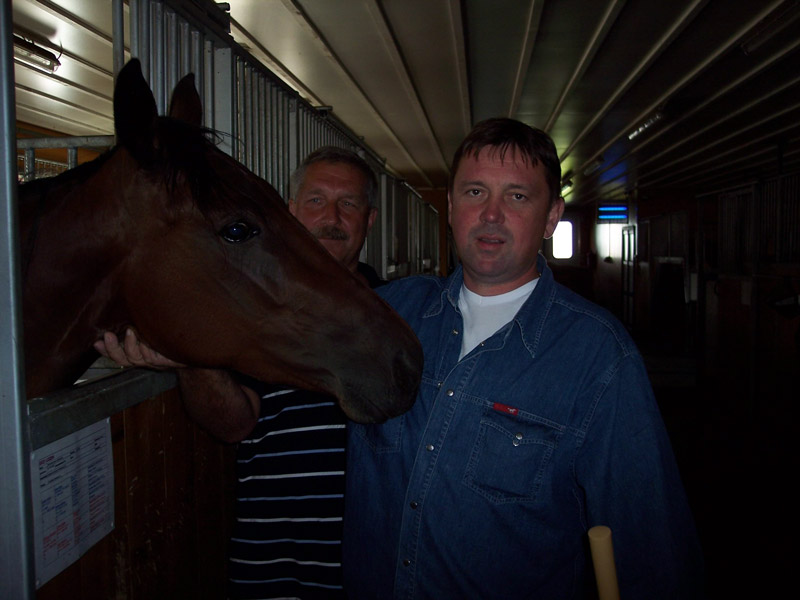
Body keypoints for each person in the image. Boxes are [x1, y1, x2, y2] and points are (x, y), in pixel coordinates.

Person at [341, 118, 704, 598]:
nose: (491, 214)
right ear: (450, 206)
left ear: (551, 217)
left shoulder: (598, 355)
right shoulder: (384, 315)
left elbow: (649, 541)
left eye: (517, 196)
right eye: (475, 192)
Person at [95, 146, 382, 599]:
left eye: (348, 203)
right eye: (316, 200)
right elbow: (233, 425)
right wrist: (189, 358)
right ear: (290, 211)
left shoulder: (400, 312)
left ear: (369, 219)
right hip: (273, 568)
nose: (331, 217)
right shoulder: (247, 310)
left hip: (375, 569)